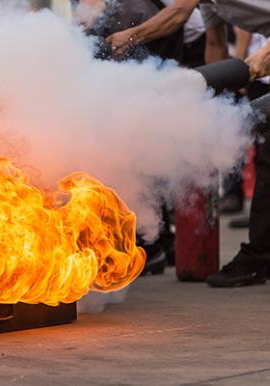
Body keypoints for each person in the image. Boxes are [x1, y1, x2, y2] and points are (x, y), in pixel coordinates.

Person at [105, 0, 270, 286]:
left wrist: (251, 66)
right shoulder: (209, 5)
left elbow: (177, 14)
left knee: (257, 130)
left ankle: (257, 257)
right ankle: (259, 256)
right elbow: (216, 44)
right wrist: (208, 99)